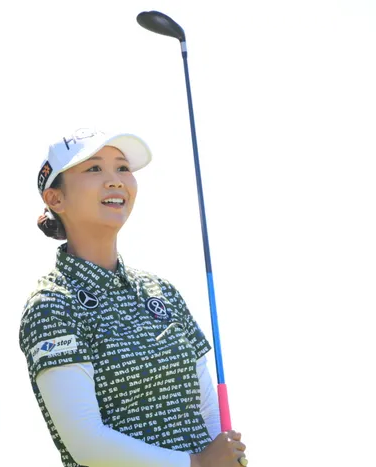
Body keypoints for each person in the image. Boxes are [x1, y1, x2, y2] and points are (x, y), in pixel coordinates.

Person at [18, 127, 248, 467]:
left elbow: (207, 413)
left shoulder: (162, 291)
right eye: (94, 168)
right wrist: (196, 464)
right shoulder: (51, 304)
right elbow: (86, 443)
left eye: (122, 168)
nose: (115, 181)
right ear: (55, 199)